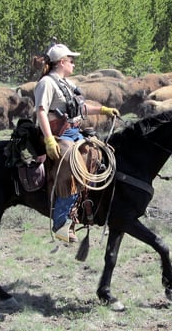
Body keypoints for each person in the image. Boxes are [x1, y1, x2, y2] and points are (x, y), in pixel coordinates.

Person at [34, 43, 119, 243]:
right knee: (71, 164)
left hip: (72, 131)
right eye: (71, 60)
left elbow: (80, 107)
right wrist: (48, 139)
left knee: (100, 151)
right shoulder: (46, 83)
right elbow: (41, 112)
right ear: (62, 62)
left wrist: (104, 110)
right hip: (57, 135)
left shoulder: (66, 83)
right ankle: (61, 224)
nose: (74, 63)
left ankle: (88, 206)